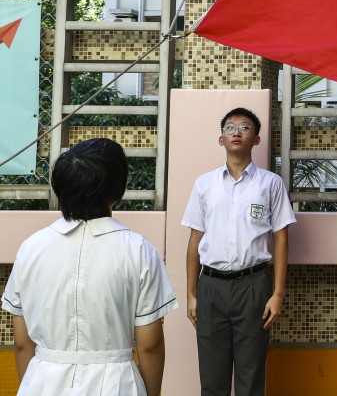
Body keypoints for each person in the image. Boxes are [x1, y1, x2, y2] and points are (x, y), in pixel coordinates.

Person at [1, 138, 178, 396]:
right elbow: (149, 345)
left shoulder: (31, 248)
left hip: (43, 382)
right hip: (117, 385)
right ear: (120, 188)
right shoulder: (140, 251)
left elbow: (21, 342)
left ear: (60, 189)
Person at [183, 107, 297, 396]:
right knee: (212, 378)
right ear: (221, 139)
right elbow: (195, 241)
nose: (236, 132)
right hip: (210, 287)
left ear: (256, 139)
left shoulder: (270, 184)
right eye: (230, 127)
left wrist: (278, 293)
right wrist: (192, 294)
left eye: (245, 127)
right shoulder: (204, 184)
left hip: (253, 287)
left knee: (251, 376)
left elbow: (281, 238)